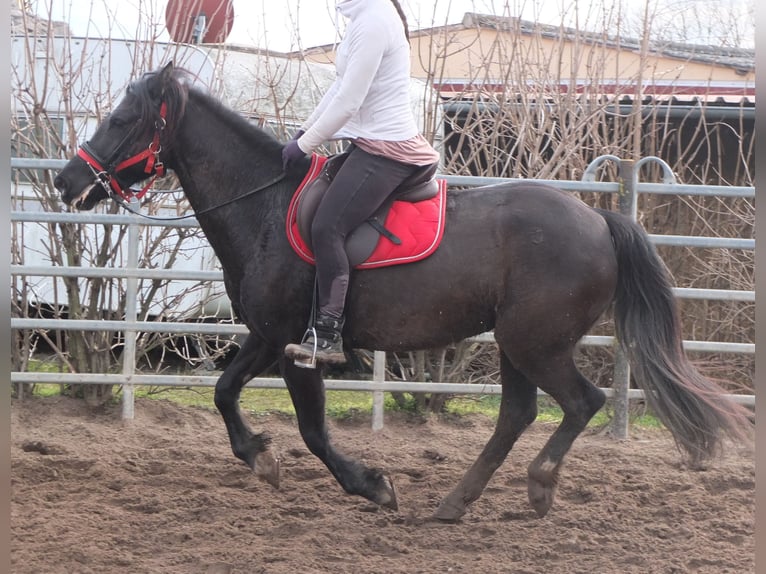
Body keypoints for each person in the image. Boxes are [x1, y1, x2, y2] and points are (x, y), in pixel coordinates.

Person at [282, 0, 440, 365]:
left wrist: (306, 144)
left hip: (387, 149)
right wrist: (304, 130)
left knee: (327, 226)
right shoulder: (362, 18)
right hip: (368, 142)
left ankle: (328, 334)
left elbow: (349, 102)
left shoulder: (374, 22)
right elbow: (339, 87)